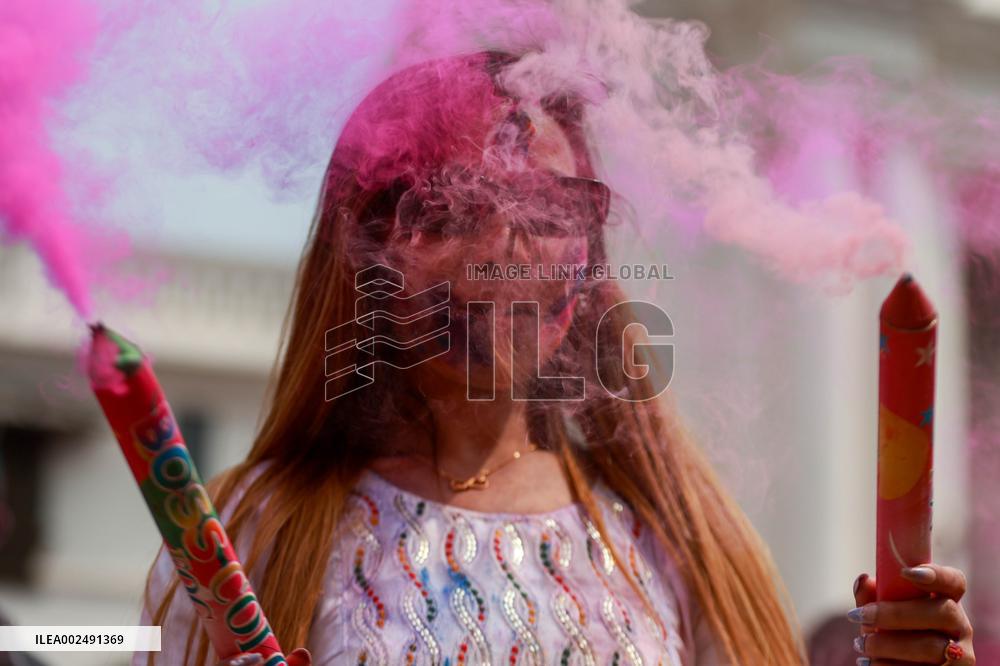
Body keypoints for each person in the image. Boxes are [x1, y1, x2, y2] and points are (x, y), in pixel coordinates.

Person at [134, 51, 975, 665]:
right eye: (452, 208)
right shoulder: (253, 529)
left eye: (549, 210)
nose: (509, 252)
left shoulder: (676, 542)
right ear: (366, 252)